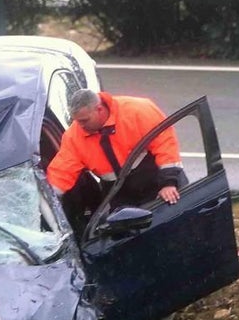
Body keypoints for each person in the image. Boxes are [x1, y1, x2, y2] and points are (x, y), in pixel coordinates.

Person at [46, 89, 187, 229]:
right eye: (76, 121)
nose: (80, 126)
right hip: (120, 195)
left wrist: (168, 183)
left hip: (157, 184)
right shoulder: (74, 137)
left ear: (99, 109)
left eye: (84, 120)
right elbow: (61, 172)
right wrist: (47, 202)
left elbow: (165, 143)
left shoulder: (138, 111)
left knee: (173, 228)